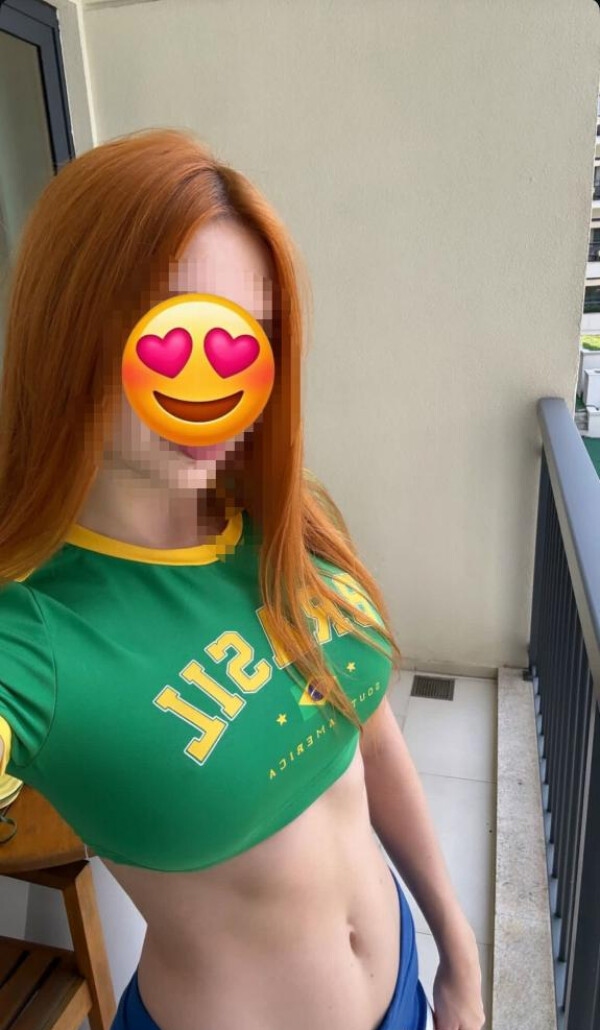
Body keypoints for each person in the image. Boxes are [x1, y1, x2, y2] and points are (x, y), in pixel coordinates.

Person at [0, 128, 480, 1030]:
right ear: (69, 332)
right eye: (174, 331)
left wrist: (457, 944)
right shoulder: (30, 633)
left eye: (248, 338)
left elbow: (369, 739)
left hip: (406, 991)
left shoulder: (288, 514)